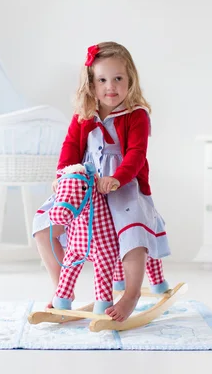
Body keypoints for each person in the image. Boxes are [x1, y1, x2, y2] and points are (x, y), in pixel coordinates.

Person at [32, 41, 171, 322]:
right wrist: (62, 176)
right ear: (91, 84)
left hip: (124, 186)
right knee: (43, 228)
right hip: (84, 186)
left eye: (118, 78)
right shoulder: (84, 115)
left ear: (130, 80)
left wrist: (117, 179)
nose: (111, 86)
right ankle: (62, 289)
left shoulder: (136, 115)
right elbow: (70, 147)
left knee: (132, 234)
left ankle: (130, 294)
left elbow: (136, 155)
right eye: (103, 80)